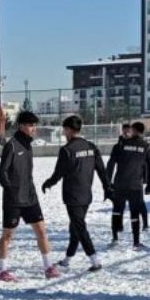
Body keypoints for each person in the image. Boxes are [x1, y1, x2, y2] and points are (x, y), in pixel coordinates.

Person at [41, 115, 111, 272]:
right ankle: (67, 259)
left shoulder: (66, 150)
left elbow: (58, 173)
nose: (64, 133)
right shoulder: (91, 147)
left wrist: (48, 183)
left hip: (73, 196)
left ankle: (95, 261)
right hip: (86, 195)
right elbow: (102, 170)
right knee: (75, 227)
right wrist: (107, 187)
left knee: (79, 227)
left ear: (68, 130)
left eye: (64, 130)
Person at [0, 110, 60, 281]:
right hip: (14, 200)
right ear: (21, 126)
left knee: (41, 232)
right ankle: (2, 271)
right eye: (31, 125)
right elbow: (2, 175)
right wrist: (12, 191)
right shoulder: (12, 145)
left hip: (31, 198)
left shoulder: (28, 145)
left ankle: (48, 267)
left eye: (34, 125)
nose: (34, 128)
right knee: (7, 235)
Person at [106, 121, 150, 250]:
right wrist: (149, 184)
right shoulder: (146, 146)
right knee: (134, 213)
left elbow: (110, 165)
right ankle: (136, 242)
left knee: (117, 211)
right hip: (136, 185)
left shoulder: (120, 145)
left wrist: (108, 183)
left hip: (119, 184)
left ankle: (115, 238)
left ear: (134, 131)